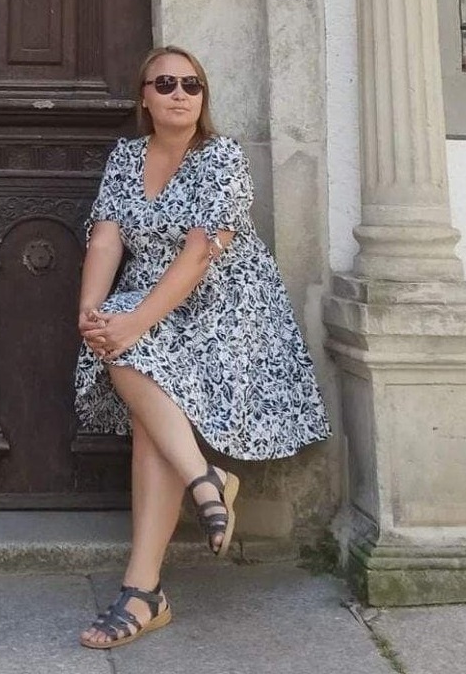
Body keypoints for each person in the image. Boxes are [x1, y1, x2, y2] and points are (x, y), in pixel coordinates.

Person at [75, 45, 330, 649]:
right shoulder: (127, 157)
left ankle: (144, 590)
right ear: (144, 97)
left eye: (192, 84)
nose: (180, 93)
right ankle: (201, 482)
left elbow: (198, 255)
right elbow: (107, 239)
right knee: (121, 346)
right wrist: (90, 315)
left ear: (203, 96)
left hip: (227, 309)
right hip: (154, 301)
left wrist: (131, 324)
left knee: (133, 361)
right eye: (165, 83)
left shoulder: (222, 157)